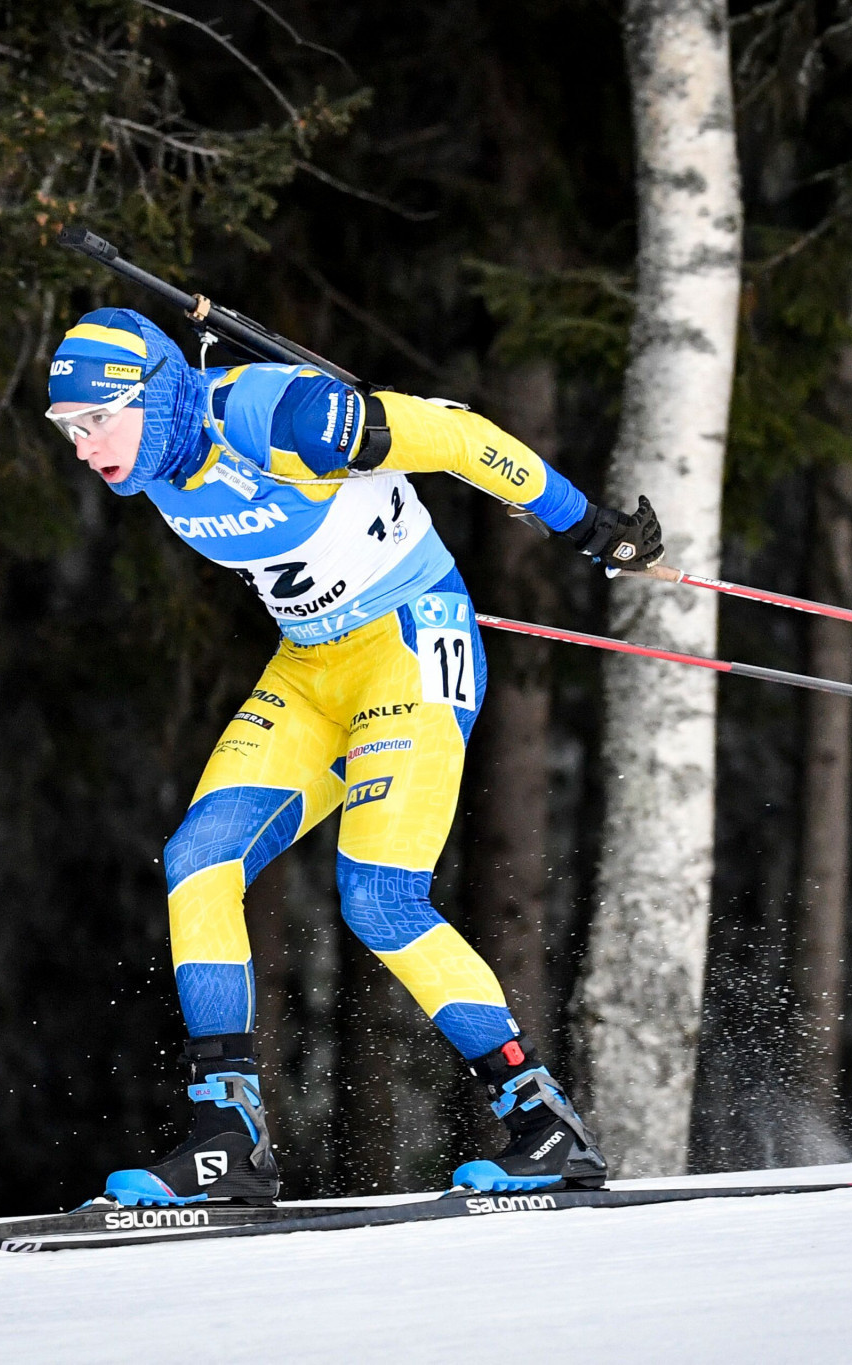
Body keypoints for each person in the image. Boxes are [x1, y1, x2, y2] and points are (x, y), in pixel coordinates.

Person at [45, 307, 664, 1206]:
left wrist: (583, 523)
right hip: (309, 669)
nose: (81, 445)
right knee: (198, 861)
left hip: (409, 649)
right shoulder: (157, 462)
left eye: (94, 419)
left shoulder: (275, 417)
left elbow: (456, 436)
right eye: (67, 429)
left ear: (146, 395)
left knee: (379, 896)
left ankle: (544, 1125)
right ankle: (229, 1136)